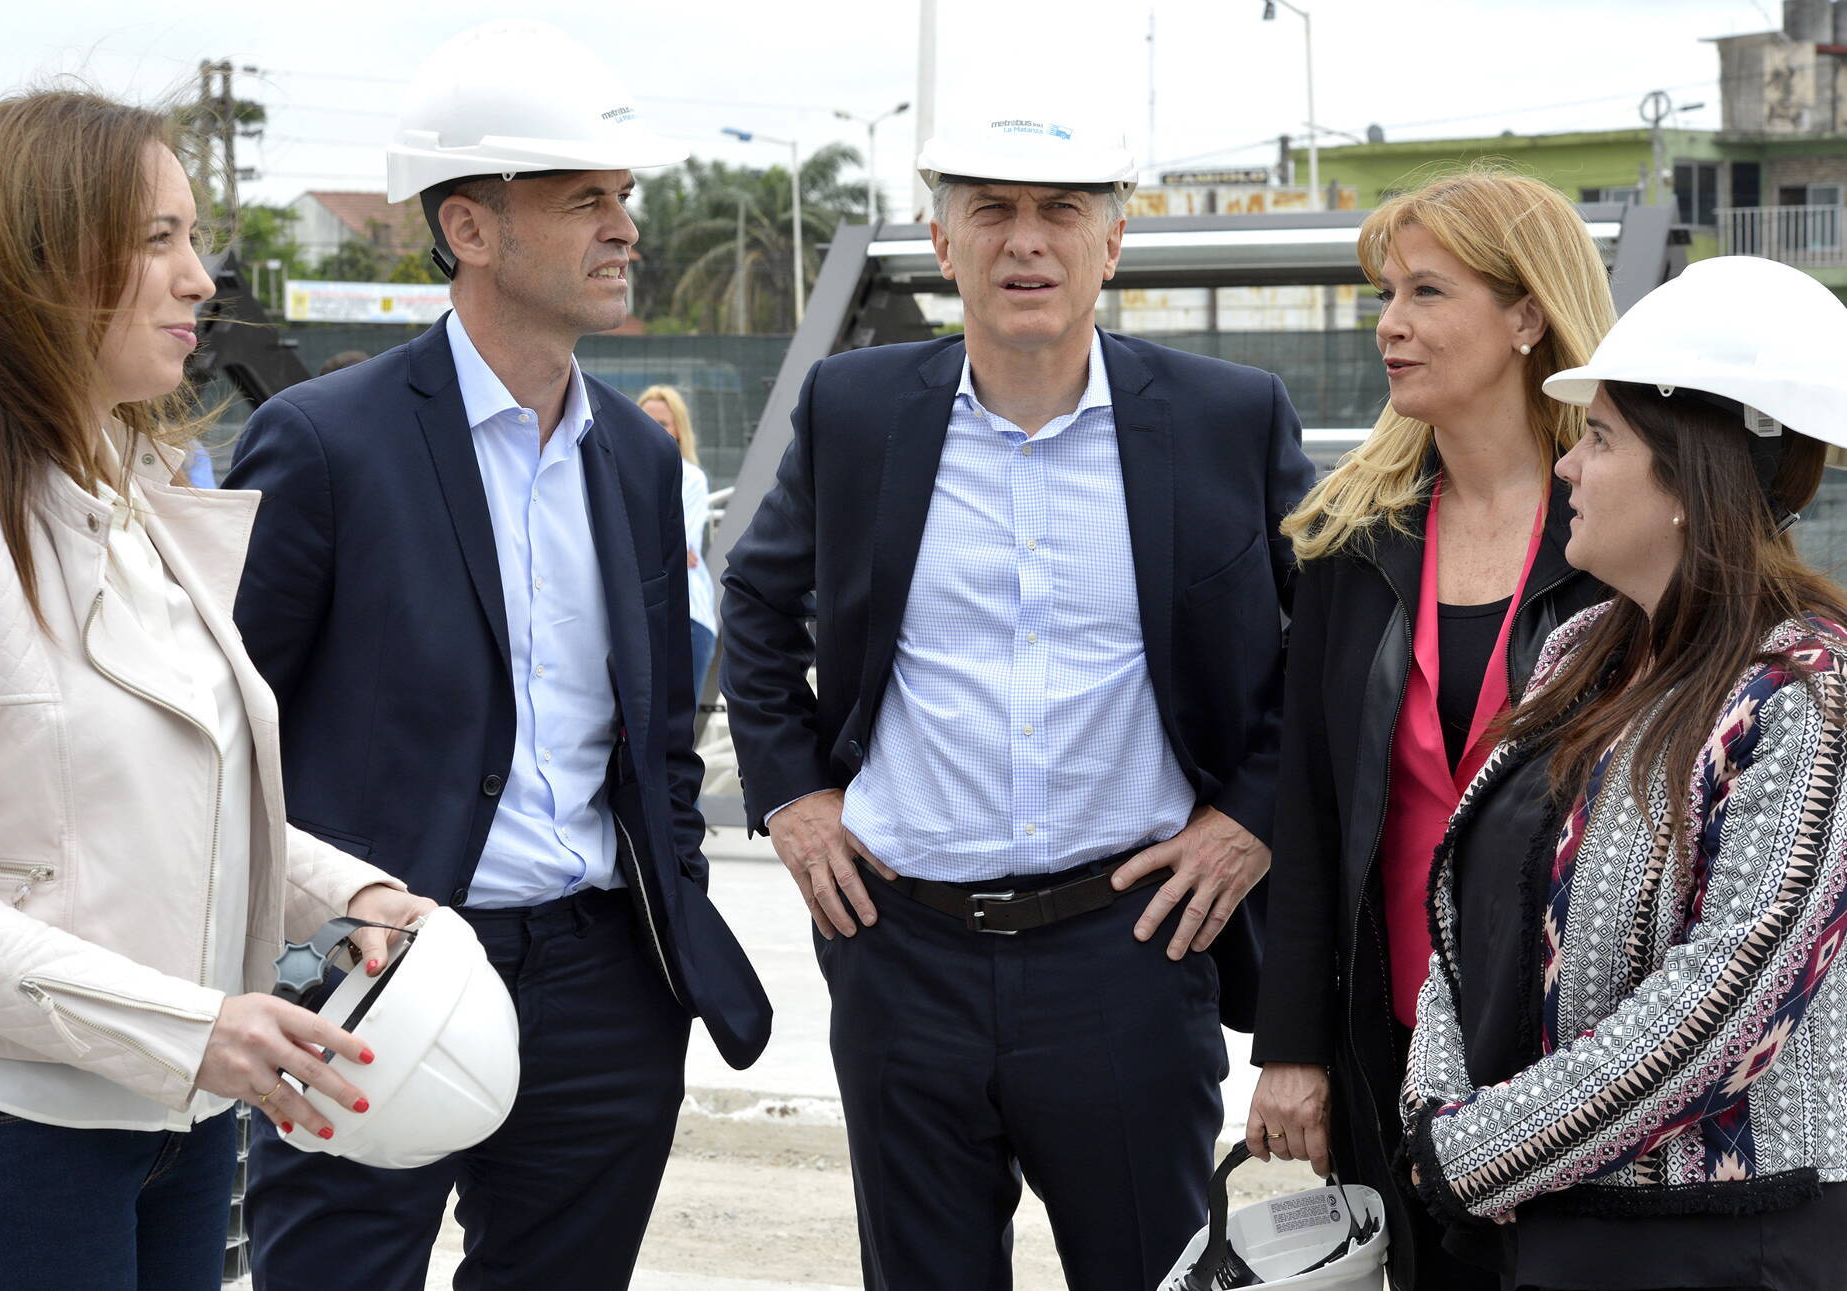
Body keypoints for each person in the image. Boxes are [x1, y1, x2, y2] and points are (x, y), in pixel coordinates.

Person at [720, 111, 1315, 1290]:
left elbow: (1331, 635)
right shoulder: (853, 408)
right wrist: (791, 795)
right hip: (899, 950)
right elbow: (754, 598)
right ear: (942, 244)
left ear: (1113, 242)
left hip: (1131, 950)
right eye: (989, 210)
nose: (1024, 241)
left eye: (1059, 211)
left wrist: (1250, 813)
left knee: (1154, 1274)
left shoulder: (1223, 417)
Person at [224, 22, 770, 1291]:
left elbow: (658, 743)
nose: (624, 227)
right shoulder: (321, 447)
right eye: (584, 198)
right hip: (372, 971)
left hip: (599, 984)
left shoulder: (636, 461)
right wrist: (304, 936)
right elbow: (225, 738)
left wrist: (662, 931)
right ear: (468, 228)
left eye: (622, 197)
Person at [0, 88, 433, 1291]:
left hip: (181, 1125)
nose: (201, 277)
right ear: (43, 258)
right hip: (8, 1134)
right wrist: (194, 1024)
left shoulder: (135, 511)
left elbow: (177, 803)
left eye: (193, 237)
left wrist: (350, 892)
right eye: (157, 239)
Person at [1404, 255, 1847, 1291]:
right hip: (1540, 1222)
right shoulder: (1583, 651)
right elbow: (1460, 920)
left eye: (1598, 438)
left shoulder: (1805, 696)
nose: (1564, 465)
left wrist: (1474, 1151)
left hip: (1719, 1239)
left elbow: (1729, 1001)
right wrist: (1432, 1105)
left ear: (1689, 478)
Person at [1244, 170, 1616, 1289]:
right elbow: (1309, 817)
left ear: (1523, 315)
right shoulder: (1348, 548)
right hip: (1387, 1039)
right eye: (1383, 294)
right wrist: (1291, 1049)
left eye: (1423, 292)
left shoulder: (1621, 541)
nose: (1388, 325)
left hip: (1576, 1045)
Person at [637, 383, 717, 695]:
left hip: (687, 620)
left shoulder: (691, 478)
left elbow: (672, 547)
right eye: (644, 421)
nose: (651, 431)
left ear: (678, 430)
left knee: (676, 735)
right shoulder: (617, 473)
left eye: (662, 424)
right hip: (641, 620)